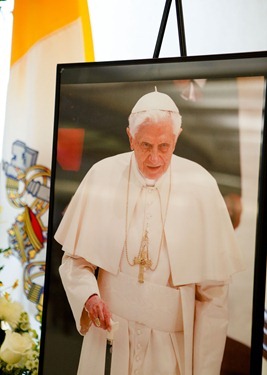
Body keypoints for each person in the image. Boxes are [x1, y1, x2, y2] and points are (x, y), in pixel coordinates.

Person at [55, 88, 244, 375]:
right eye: (145, 145)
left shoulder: (202, 187)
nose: (155, 158)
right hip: (110, 338)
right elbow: (75, 263)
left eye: (164, 146)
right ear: (130, 137)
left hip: (169, 351)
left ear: (176, 138)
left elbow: (213, 299)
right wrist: (89, 297)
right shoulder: (102, 176)